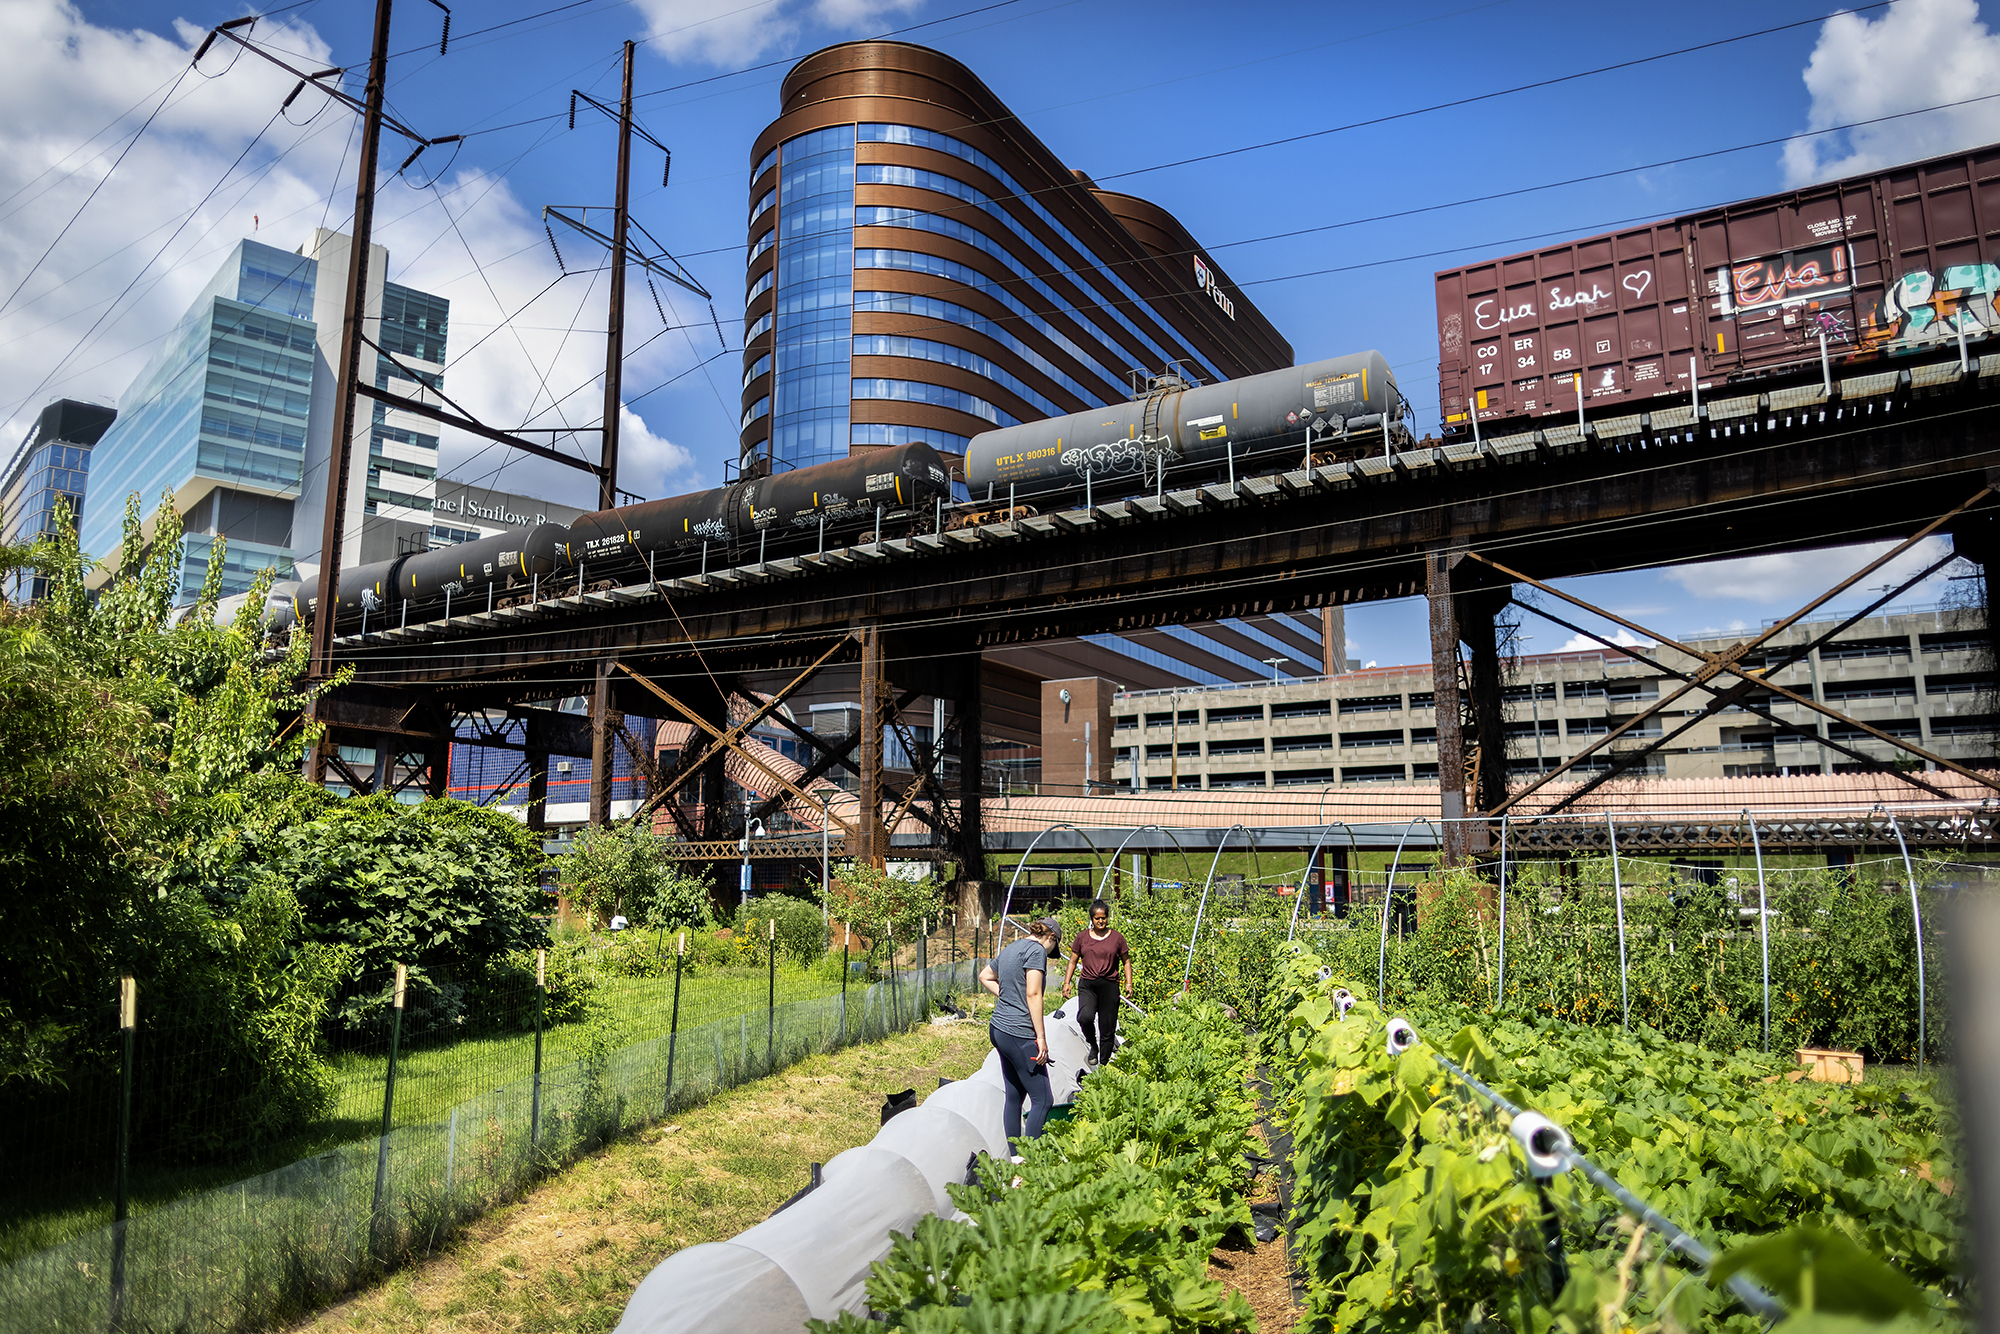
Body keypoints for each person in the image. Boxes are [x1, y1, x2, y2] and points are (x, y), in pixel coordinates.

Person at [978, 917, 1059, 1142]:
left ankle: (1014, 1162)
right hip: (1018, 1032)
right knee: (1043, 1100)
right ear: (1051, 938)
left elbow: (985, 976)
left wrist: (1008, 996)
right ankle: (1028, 1163)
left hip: (999, 1029)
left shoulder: (1012, 947)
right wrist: (1041, 1038)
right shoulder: (1036, 952)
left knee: (1015, 1096)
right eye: (1054, 946)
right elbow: (1033, 994)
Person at [1061, 899, 1131, 1068]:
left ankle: (1104, 1064)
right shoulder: (1082, 937)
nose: (1101, 921)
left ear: (1107, 918)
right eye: (1097, 918)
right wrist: (1066, 982)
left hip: (1110, 985)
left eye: (1103, 918)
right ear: (1091, 919)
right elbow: (1072, 961)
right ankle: (1093, 1045)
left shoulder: (1117, 938)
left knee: (1107, 1028)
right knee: (1085, 1017)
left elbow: (1126, 961)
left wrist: (1129, 983)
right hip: (1088, 985)